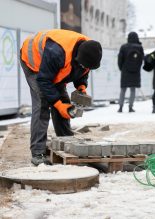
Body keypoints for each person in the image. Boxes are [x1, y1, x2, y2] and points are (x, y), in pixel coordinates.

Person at [20, 29, 102, 166]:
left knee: (64, 102)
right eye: (82, 64)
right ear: (78, 56)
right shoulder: (56, 52)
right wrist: (58, 105)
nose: (84, 67)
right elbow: (44, 81)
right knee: (42, 104)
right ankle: (37, 153)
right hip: (33, 62)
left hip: (52, 67)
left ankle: (66, 142)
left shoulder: (89, 50)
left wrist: (81, 86)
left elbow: (83, 71)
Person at [117, 32, 144, 113]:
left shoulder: (123, 47)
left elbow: (120, 59)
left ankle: (120, 107)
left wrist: (121, 68)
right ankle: (130, 107)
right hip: (135, 71)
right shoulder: (139, 47)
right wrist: (137, 67)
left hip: (125, 70)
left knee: (123, 89)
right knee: (133, 90)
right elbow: (141, 59)